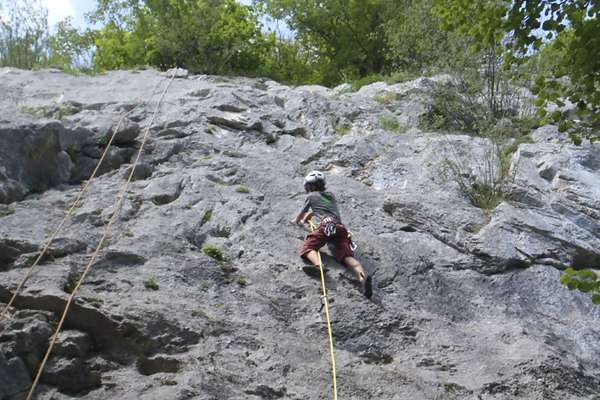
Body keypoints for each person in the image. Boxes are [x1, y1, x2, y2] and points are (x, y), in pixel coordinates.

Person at [291, 170, 372, 298]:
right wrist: (312, 215)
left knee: (309, 247)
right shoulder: (330, 196)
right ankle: (362, 277)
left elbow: (302, 212)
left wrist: (296, 221)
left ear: (310, 186)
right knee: (346, 256)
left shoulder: (311, 196)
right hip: (341, 228)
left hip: (327, 224)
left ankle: (319, 266)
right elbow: (324, 209)